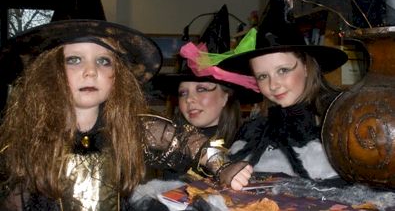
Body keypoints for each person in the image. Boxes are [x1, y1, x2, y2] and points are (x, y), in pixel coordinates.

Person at [0, 19, 243, 210]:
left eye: (104, 61)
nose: (90, 72)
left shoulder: (132, 129)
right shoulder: (24, 143)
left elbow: (191, 141)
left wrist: (225, 167)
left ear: (119, 76)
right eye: (74, 60)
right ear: (49, 73)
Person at [215, 0, 349, 190]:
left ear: (306, 65)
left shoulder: (342, 118)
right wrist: (226, 173)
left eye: (283, 70)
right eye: (262, 76)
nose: (273, 85)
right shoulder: (255, 128)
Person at [151, 4, 262, 180]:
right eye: (183, 93)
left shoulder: (251, 142)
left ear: (226, 96)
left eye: (201, 89)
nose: (189, 100)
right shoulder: (170, 140)